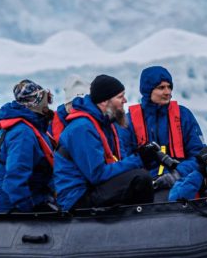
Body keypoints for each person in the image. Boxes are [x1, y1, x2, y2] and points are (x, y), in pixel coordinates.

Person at [53, 75, 156, 210]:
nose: (125, 100)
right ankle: (141, 223)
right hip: (77, 198)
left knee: (139, 174)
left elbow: (118, 162)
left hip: (92, 189)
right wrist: (138, 160)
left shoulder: (104, 123)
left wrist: (141, 157)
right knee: (140, 179)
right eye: (120, 97)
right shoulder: (82, 128)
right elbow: (97, 174)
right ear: (104, 102)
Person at [128, 66, 206, 188]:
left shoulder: (183, 115)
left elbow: (200, 156)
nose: (168, 92)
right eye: (161, 87)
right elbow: (123, 159)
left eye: (169, 87)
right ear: (148, 91)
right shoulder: (130, 121)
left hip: (182, 181)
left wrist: (177, 174)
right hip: (145, 186)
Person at [0, 80, 57, 212]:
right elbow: (15, 179)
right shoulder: (22, 133)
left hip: (30, 194)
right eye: (46, 100)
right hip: (11, 204)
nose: (49, 104)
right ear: (36, 103)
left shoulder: (31, 126)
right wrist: (28, 211)